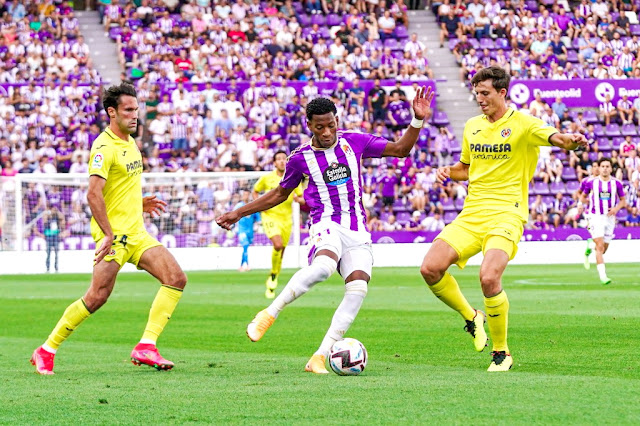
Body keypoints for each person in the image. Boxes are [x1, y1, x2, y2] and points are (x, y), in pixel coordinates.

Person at [217, 89, 433, 373]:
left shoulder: (354, 142)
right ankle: (269, 314)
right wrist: (238, 212)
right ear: (309, 125)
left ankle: (319, 356)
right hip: (325, 224)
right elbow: (279, 194)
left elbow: (401, 150)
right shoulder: (299, 158)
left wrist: (416, 121)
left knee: (358, 289)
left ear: (337, 120)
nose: (328, 131)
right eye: (321, 127)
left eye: (331, 124)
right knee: (324, 267)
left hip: (357, 231)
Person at [419, 66, 588, 372]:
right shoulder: (472, 126)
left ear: (501, 93)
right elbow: (467, 167)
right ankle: (472, 317)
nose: (479, 99)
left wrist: (569, 141)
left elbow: (554, 136)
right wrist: (448, 171)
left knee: (488, 277)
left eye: (485, 93)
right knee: (430, 269)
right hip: (472, 213)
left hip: (507, 213)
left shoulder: (524, 122)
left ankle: (501, 352)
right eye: (476, 93)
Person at [30, 83, 188, 375]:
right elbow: (93, 193)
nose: (134, 116)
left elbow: (117, 190)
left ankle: (146, 346)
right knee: (96, 297)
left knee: (176, 278)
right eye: (128, 110)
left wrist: (138, 203)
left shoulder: (130, 142)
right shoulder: (103, 147)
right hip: (114, 236)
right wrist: (107, 233)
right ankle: (46, 349)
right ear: (112, 112)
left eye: (136, 110)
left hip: (137, 233)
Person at [252, 150, 304, 298]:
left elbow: (301, 197)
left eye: (284, 159)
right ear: (274, 163)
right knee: (277, 244)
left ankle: (274, 275)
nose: (282, 161)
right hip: (270, 217)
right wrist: (260, 206)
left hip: (286, 219)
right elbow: (255, 191)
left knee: (281, 251)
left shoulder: (293, 177)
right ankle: (274, 275)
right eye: (279, 159)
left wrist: (299, 200)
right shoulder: (266, 178)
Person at [580, 158, 626, 285]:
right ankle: (603, 276)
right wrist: (582, 203)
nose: (605, 168)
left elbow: (623, 200)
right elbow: (583, 196)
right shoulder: (592, 183)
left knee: (603, 248)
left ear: (611, 169)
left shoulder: (616, 184)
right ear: (599, 168)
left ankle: (590, 244)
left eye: (607, 166)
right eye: (603, 166)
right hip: (596, 217)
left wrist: (616, 208)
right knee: (600, 247)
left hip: (610, 218)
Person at [235, 190, 260, 272]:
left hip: (250, 231)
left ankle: (241, 266)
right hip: (241, 230)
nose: (246, 196)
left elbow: (258, 219)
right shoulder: (239, 206)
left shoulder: (253, 206)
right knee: (245, 246)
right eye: (244, 195)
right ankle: (247, 265)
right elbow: (233, 215)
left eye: (247, 195)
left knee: (246, 248)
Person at [39, 202, 65, 273]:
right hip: (49, 237)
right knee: (48, 253)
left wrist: (57, 212)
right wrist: (49, 213)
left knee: (56, 253)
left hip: (55, 236)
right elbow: (44, 221)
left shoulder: (57, 217)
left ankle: (56, 268)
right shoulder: (47, 216)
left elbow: (62, 218)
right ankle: (47, 268)